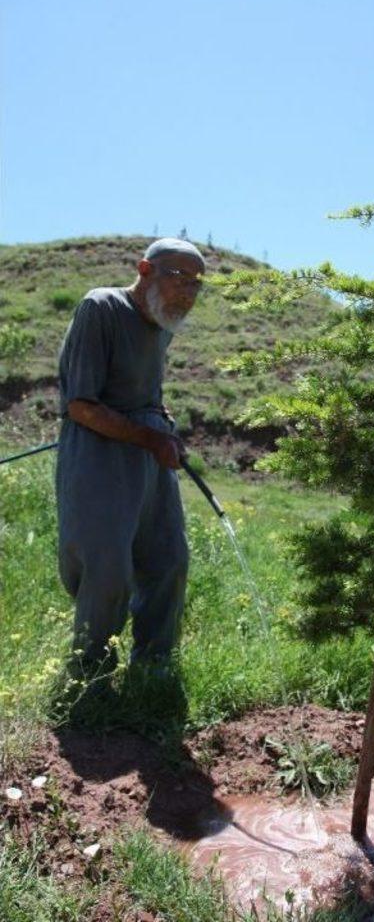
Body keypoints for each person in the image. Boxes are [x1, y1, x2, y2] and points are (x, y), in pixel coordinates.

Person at [56, 237, 205, 673]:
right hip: (96, 450)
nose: (189, 292)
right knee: (106, 567)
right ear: (144, 270)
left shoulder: (163, 321)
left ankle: (153, 669)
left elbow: (144, 391)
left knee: (169, 559)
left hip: (148, 448)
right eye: (180, 278)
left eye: (198, 284)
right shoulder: (100, 308)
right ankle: (90, 672)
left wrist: (163, 426)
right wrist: (151, 436)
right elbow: (80, 404)